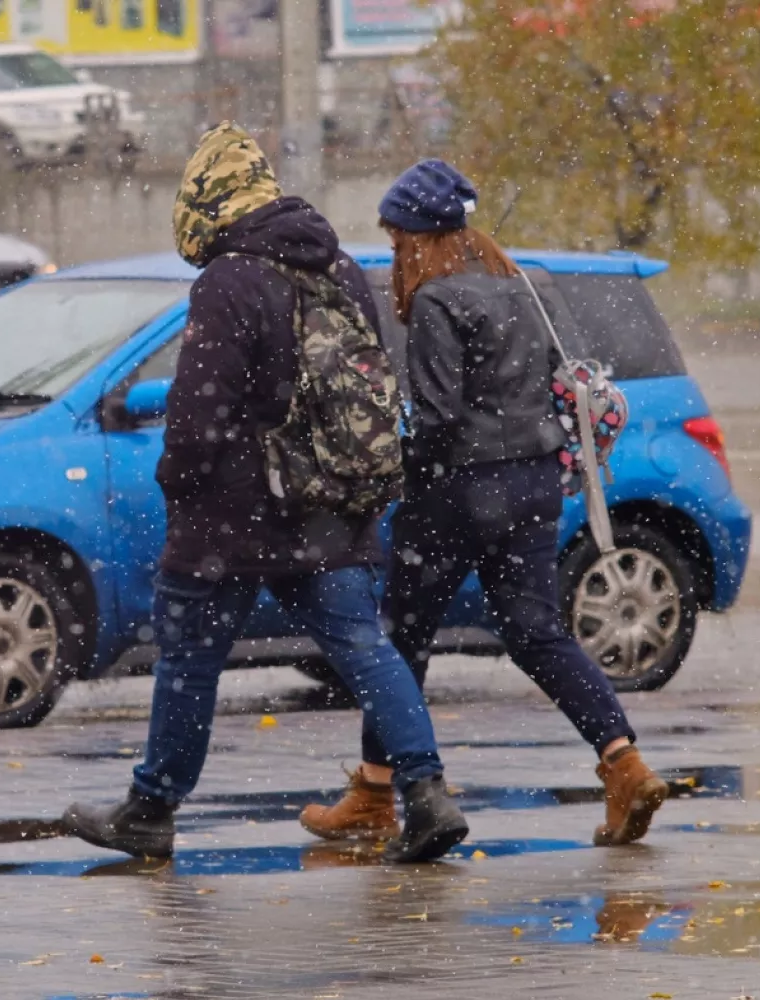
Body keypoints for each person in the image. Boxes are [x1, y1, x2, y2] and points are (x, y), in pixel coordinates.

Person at [61, 124, 469, 865]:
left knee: (189, 661)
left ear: (208, 200)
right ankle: (427, 792)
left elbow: (197, 414)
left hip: (229, 520)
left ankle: (151, 809)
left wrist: (178, 489)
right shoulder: (340, 269)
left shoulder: (228, 279)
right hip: (328, 510)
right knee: (366, 649)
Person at [301, 160, 668, 848]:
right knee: (537, 633)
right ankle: (624, 762)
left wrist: (393, 464)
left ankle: (379, 796)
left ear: (418, 236)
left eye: (398, 237)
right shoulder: (516, 286)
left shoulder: (438, 300)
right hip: (532, 483)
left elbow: (437, 420)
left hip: (459, 491)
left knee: (399, 642)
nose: (397, 251)